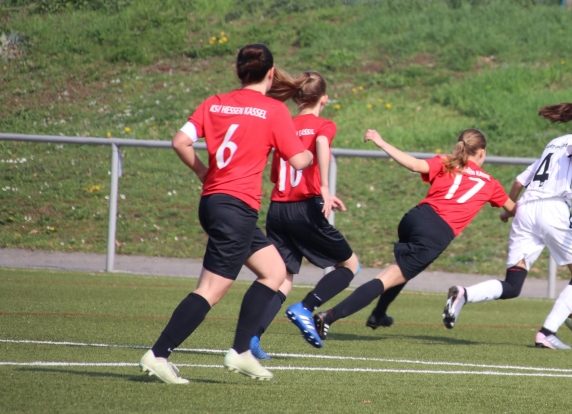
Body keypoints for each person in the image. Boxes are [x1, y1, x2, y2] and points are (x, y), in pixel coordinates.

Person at [139, 44, 313, 384]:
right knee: (210, 290)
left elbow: (179, 141)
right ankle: (158, 354)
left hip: (216, 203)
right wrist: (309, 151)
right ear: (270, 73)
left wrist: (203, 172)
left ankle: (241, 351)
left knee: (274, 271)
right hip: (236, 207)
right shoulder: (274, 110)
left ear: (238, 72)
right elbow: (298, 160)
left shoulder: (214, 103)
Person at [306, 128, 517, 344]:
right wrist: (511, 210)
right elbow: (515, 210)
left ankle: (379, 313)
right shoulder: (491, 183)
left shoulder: (447, 161)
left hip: (414, 218)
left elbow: (414, 165)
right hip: (435, 233)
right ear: (481, 152)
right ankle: (328, 317)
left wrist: (382, 142)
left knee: (403, 269)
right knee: (385, 279)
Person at [442, 103, 572, 350]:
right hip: (553, 209)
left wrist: (509, 210)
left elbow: (520, 181)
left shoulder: (554, 143)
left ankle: (464, 294)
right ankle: (547, 333)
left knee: (512, 285)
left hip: (526, 210)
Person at [248, 71, 360, 358]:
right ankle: (306, 307)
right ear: (324, 99)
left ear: (297, 97)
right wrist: (325, 188)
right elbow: (321, 143)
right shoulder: (323, 125)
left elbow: (275, 174)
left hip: (278, 208)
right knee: (349, 265)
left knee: (281, 277)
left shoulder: (285, 124)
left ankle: (252, 338)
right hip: (304, 208)